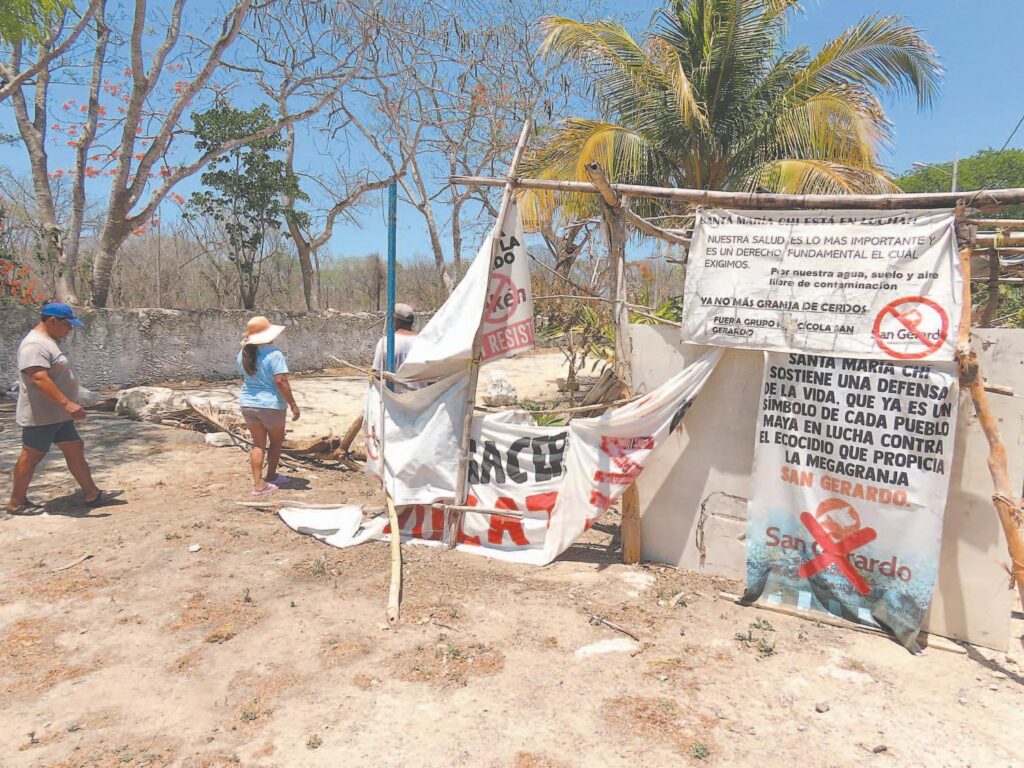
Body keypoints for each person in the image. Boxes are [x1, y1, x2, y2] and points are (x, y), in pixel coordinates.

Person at [7, 302, 117, 515]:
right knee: (30, 456)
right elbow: (39, 378)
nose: (70, 330)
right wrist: (67, 403)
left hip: (58, 414)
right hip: (42, 415)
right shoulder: (34, 345)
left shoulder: (49, 341)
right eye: (67, 325)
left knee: (75, 448)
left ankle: (91, 493)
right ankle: (16, 503)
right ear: (52, 321)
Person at [237, 316, 300, 496]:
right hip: (271, 405)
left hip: (248, 404)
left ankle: (259, 484)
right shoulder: (274, 354)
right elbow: (281, 381)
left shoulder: (242, 354)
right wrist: (293, 405)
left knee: (258, 444)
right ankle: (270, 476)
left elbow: (243, 379)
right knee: (276, 442)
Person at [372, 303, 419, 386]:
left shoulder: (385, 342)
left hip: (394, 397)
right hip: (421, 397)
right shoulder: (425, 341)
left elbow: (376, 374)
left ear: (396, 321)